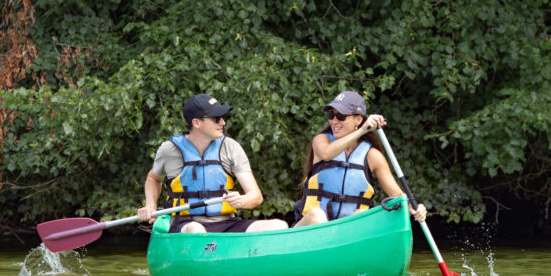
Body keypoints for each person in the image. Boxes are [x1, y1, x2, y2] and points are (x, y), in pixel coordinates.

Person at [138, 94, 288, 233]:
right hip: (185, 223)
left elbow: (256, 197)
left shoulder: (230, 147)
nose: (223, 122)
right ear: (196, 123)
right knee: (196, 230)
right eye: (216, 118)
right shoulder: (168, 150)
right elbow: (153, 179)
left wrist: (241, 200)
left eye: (222, 117)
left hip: (228, 223)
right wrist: (150, 204)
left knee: (279, 225)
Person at [292, 90, 427, 226]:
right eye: (331, 114)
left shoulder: (372, 155)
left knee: (362, 215)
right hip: (310, 229)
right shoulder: (322, 140)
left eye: (341, 116)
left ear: (359, 119)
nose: (334, 121)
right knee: (317, 215)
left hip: (347, 232)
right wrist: (362, 130)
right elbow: (326, 154)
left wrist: (415, 209)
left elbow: (398, 196)